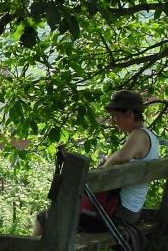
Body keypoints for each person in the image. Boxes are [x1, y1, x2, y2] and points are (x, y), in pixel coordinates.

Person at [32, 90, 160, 237]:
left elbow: (122, 157)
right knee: (59, 214)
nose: (113, 121)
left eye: (116, 116)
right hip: (130, 212)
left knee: (44, 218)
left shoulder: (138, 135)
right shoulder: (150, 136)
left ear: (130, 114)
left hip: (116, 216)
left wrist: (103, 169)